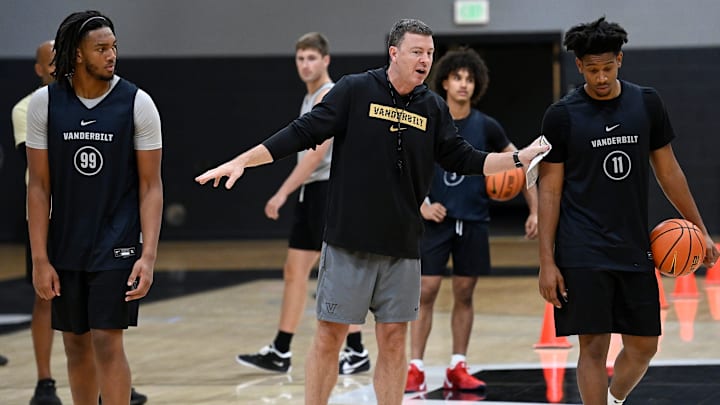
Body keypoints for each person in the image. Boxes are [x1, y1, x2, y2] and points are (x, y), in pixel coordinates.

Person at [195, 18, 549, 405]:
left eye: (430, 53)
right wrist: (242, 162)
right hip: (350, 241)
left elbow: (465, 159)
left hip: (403, 246)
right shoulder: (355, 89)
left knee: (394, 339)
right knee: (330, 335)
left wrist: (518, 158)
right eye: (417, 52)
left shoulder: (432, 107)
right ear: (394, 53)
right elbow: (302, 131)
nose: (425, 60)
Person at [537, 17, 719, 405]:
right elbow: (549, 190)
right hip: (581, 246)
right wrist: (547, 261)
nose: (600, 77)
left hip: (634, 244)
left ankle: (615, 399)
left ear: (619, 60)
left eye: (607, 67)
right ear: (579, 66)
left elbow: (669, 172)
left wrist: (700, 230)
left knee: (644, 346)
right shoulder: (561, 116)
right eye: (592, 69)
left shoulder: (646, 103)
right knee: (593, 345)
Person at [26, 10, 162, 405]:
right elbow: (38, 187)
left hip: (116, 244)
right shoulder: (44, 104)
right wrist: (39, 258)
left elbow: (151, 187)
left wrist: (148, 256)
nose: (111, 55)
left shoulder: (138, 103)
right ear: (78, 55)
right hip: (66, 243)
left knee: (106, 339)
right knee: (75, 345)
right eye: (101, 48)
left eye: (114, 47)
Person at [405, 48, 539, 394]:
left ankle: (458, 366)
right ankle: (415, 367)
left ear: (475, 85)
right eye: (457, 77)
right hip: (436, 220)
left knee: (465, 292)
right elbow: (404, 165)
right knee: (427, 289)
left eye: (469, 79)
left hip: (474, 219)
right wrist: (421, 203)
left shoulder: (486, 126)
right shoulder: (428, 117)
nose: (463, 84)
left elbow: (520, 163)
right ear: (445, 81)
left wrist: (535, 210)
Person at [236, 32, 370, 376]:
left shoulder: (329, 94)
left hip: (327, 191)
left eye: (312, 58)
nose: (305, 64)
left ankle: (355, 350)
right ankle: (281, 349)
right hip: (311, 193)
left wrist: (281, 192)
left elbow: (315, 155)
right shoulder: (310, 96)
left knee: (335, 274)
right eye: (300, 58)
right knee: (295, 271)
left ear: (326, 60)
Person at [12, 40, 64, 405]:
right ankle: (45, 381)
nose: (57, 67)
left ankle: (100, 378)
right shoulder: (27, 108)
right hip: (45, 218)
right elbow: (38, 168)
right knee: (45, 299)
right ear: (39, 68)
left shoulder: (98, 103)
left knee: (96, 301)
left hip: (89, 218)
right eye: (51, 62)